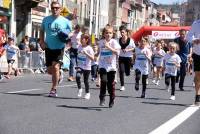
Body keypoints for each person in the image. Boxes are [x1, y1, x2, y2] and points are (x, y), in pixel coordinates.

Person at [39, 1, 72, 97]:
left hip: (59, 48)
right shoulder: (46, 19)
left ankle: (53, 89)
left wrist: (66, 38)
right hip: (48, 47)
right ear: (51, 8)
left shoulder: (65, 21)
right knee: (50, 70)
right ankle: (59, 74)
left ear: (60, 9)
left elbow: (70, 33)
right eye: (53, 8)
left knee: (56, 67)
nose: (55, 9)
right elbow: (41, 30)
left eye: (57, 8)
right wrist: (42, 42)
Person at [98, 25, 121, 108]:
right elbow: (98, 52)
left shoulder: (114, 42)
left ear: (112, 34)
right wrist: (95, 54)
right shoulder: (101, 42)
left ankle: (112, 98)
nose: (108, 34)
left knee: (110, 85)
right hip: (103, 65)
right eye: (106, 33)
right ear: (104, 34)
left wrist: (109, 47)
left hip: (111, 66)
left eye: (110, 33)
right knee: (103, 81)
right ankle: (102, 97)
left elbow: (117, 52)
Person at [186, 19, 200, 106]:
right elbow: (189, 36)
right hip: (198, 53)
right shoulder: (196, 23)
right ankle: (197, 95)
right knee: (198, 75)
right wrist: (195, 40)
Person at [76, 34, 94, 99]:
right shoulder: (79, 47)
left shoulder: (89, 48)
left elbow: (92, 58)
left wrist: (86, 53)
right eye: (81, 38)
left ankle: (87, 93)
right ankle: (80, 89)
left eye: (82, 39)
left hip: (87, 67)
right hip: (80, 66)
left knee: (85, 80)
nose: (81, 40)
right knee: (77, 77)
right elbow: (77, 55)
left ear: (86, 40)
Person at [118, 25, 135, 91]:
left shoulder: (130, 40)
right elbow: (116, 47)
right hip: (121, 57)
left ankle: (128, 71)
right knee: (121, 71)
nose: (122, 34)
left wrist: (127, 50)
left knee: (127, 73)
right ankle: (122, 85)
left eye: (123, 32)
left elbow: (134, 48)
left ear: (126, 32)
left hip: (128, 58)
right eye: (121, 32)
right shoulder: (118, 40)